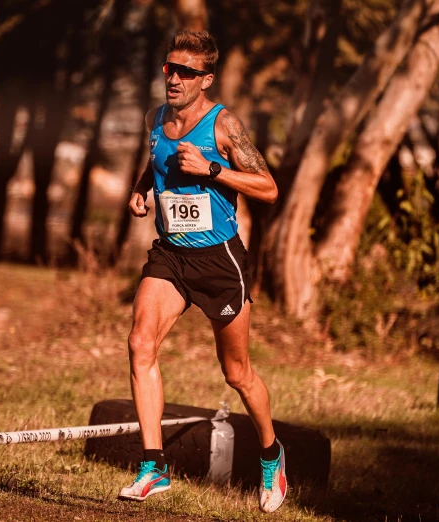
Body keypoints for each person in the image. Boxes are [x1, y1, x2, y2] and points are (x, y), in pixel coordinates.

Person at [116, 30, 285, 513]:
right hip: (171, 254)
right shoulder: (155, 118)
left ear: (205, 79)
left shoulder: (223, 125)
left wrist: (212, 171)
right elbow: (158, 160)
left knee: (237, 373)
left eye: (186, 72)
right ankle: (154, 466)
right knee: (140, 343)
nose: (173, 78)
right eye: (169, 68)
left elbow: (269, 188)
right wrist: (142, 189)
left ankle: (272, 453)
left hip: (219, 260)